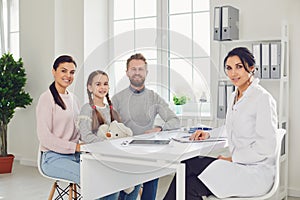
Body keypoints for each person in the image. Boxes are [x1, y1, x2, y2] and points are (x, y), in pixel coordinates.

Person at [163, 47, 278, 200]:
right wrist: (209, 134)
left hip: (255, 172)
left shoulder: (262, 98)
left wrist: (233, 159)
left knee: (189, 176)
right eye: (229, 68)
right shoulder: (234, 96)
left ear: (251, 68)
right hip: (239, 166)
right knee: (186, 174)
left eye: (239, 67)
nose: (233, 73)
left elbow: (267, 146)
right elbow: (232, 128)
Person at [112, 53, 180, 200]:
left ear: (146, 72)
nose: (137, 72)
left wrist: (160, 129)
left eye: (141, 69)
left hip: (148, 152)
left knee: (153, 171)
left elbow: (174, 120)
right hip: (124, 153)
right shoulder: (117, 99)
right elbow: (109, 129)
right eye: (133, 69)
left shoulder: (153, 97)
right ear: (127, 72)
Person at [77, 70, 141, 200]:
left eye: (105, 84)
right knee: (115, 183)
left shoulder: (110, 109)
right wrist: (108, 144)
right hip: (95, 157)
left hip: (111, 155)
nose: (102, 87)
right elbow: (86, 136)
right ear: (90, 87)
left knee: (136, 178)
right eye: (98, 84)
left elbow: (118, 133)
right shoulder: (87, 109)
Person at [36, 55, 81, 184]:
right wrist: (75, 147)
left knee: (109, 175)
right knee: (92, 178)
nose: (68, 75)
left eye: (72, 72)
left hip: (76, 156)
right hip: (53, 158)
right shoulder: (46, 99)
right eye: (63, 70)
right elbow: (44, 137)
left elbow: (79, 131)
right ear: (54, 71)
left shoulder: (74, 99)